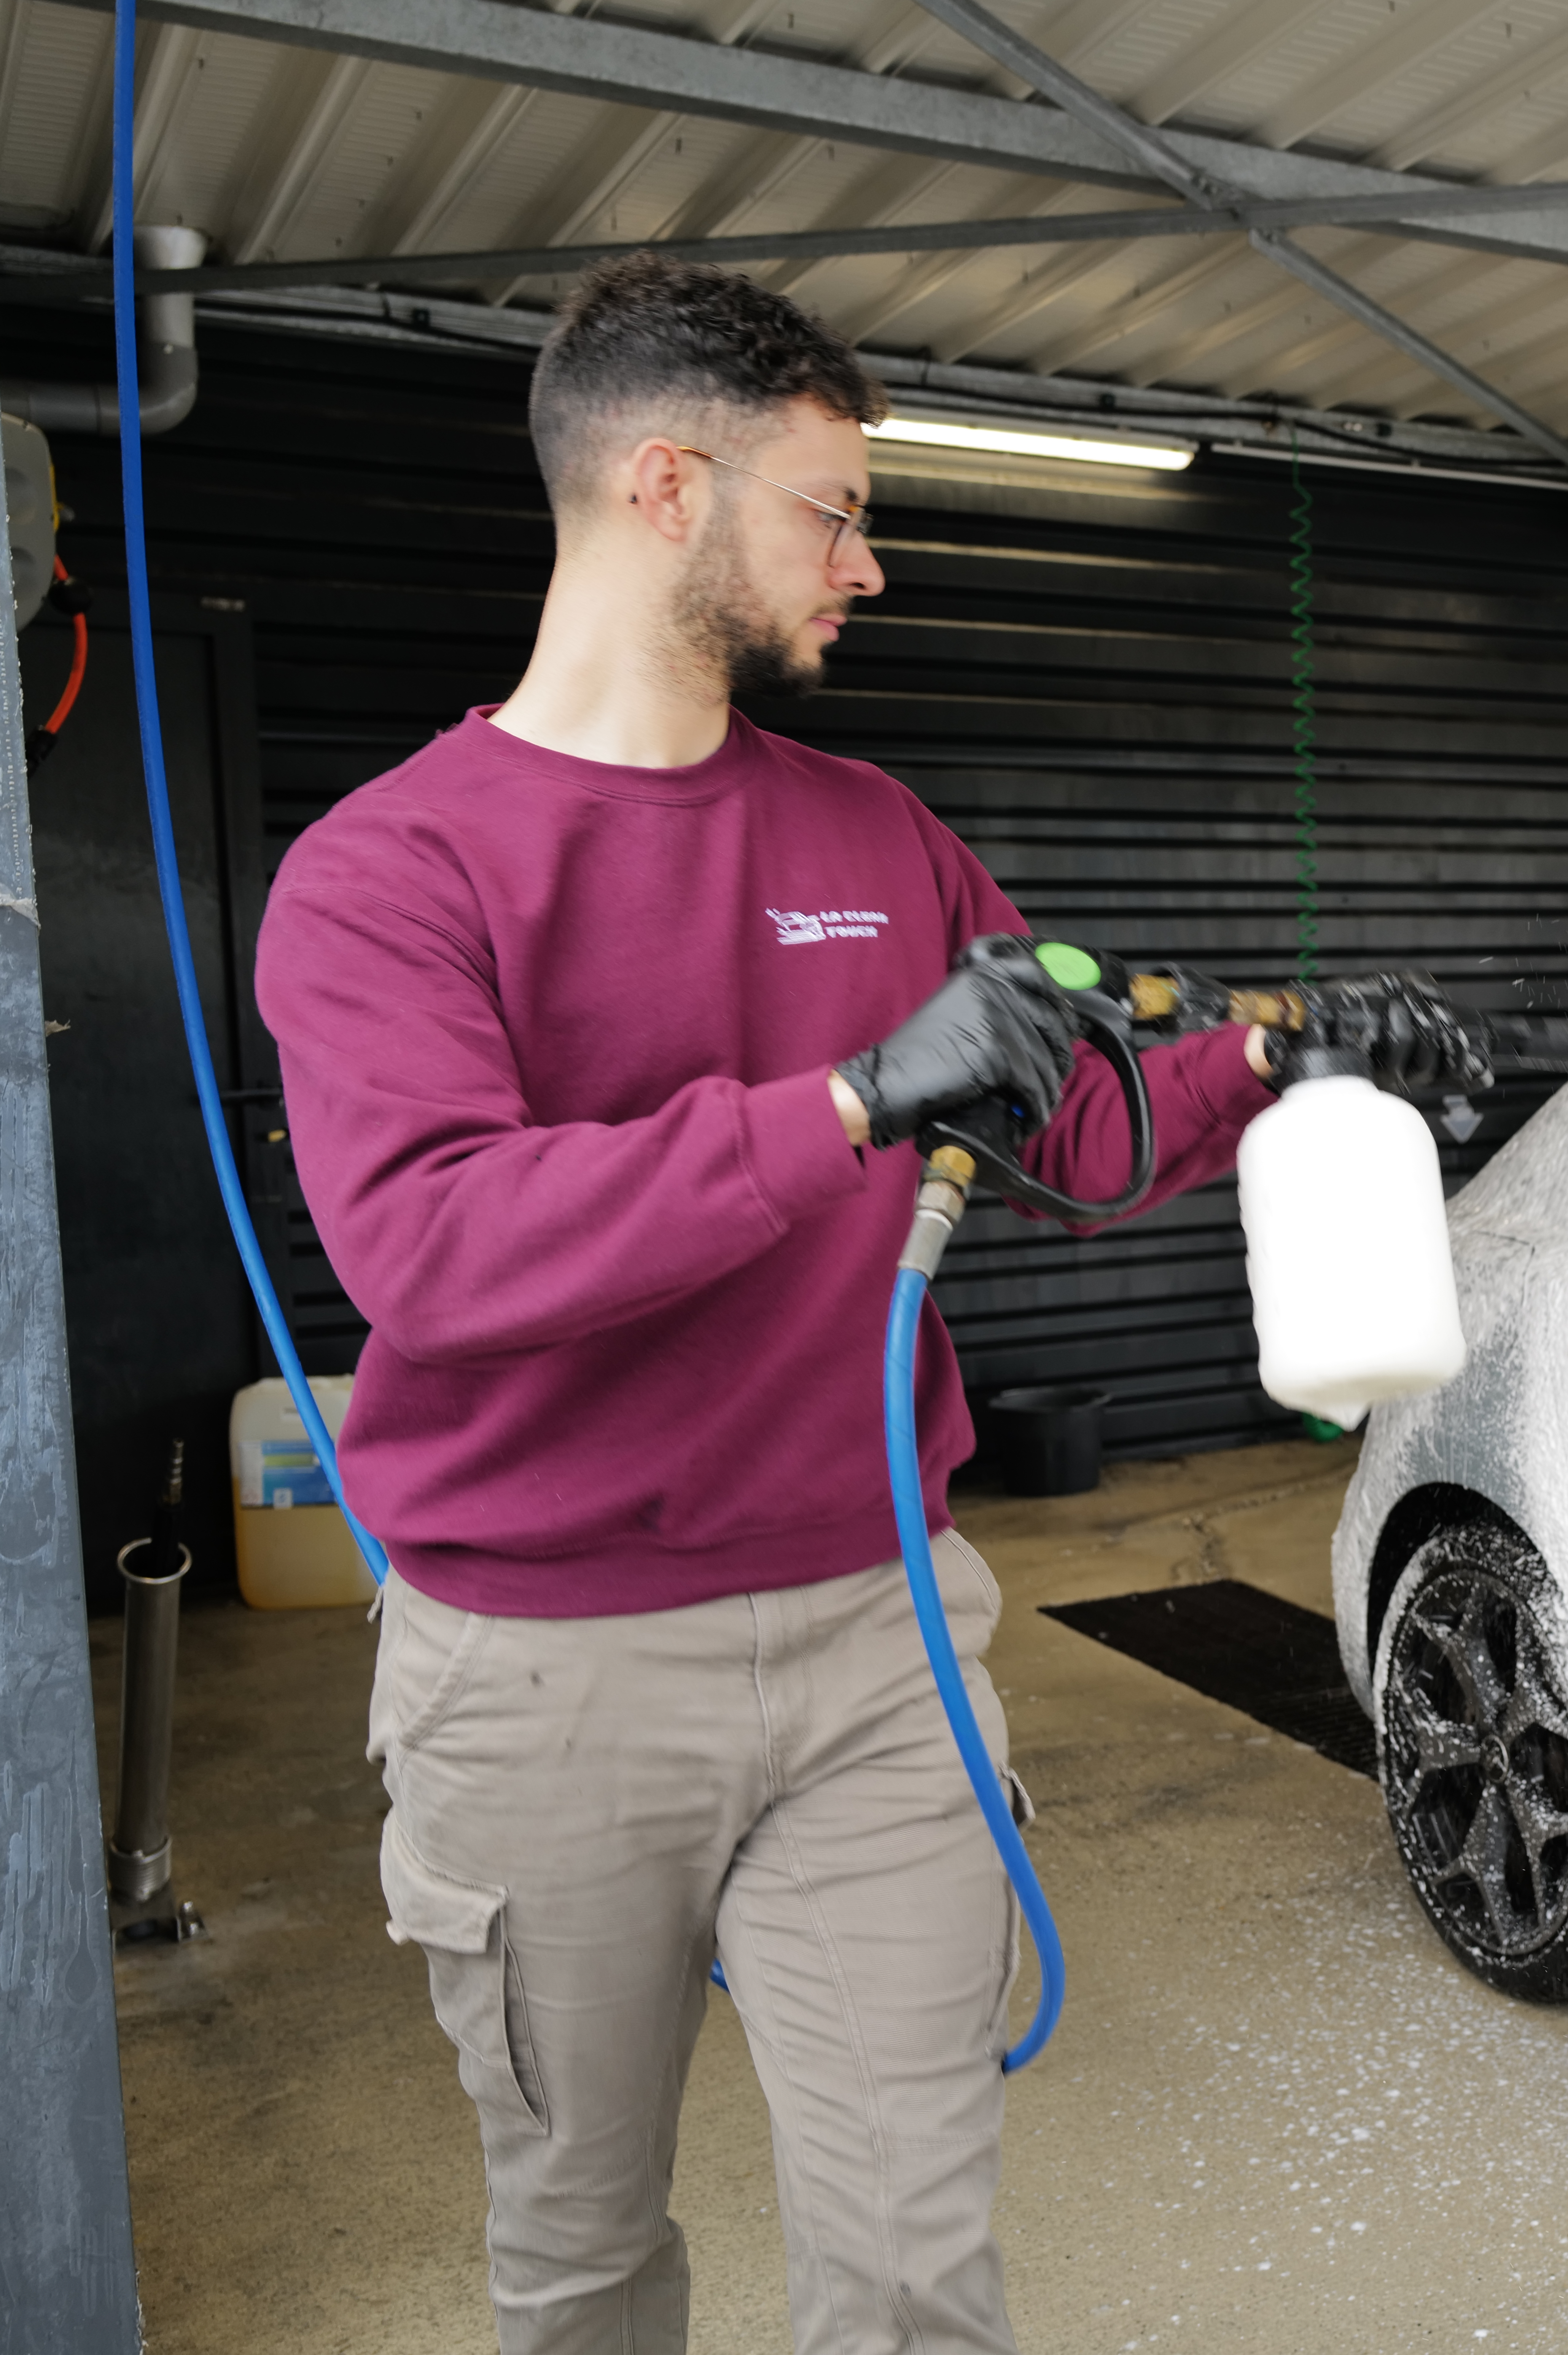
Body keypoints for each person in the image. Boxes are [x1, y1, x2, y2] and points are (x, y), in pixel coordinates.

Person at [256, 254, 1479, 2355]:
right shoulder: (396, 869)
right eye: (831, 510)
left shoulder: (875, 836)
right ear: (664, 485)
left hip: (875, 1649)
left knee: (916, 2264)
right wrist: (838, 1100)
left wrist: (1284, 1056)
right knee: (583, 2257)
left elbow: (1074, 1129)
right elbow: (435, 1251)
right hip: (545, 1682)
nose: (871, 564)